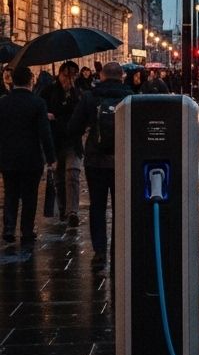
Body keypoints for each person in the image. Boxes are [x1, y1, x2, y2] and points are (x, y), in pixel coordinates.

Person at [68, 60, 132, 265]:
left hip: (95, 161)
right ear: (122, 76)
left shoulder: (90, 97)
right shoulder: (130, 97)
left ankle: (100, 251)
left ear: (101, 76)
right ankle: (118, 250)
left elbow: (73, 128)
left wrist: (81, 149)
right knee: (121, 207)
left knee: (97, 206)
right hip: (122, 161)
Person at [0, 63, 57, 244]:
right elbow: (44, 133)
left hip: (7, 157)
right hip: (31, 158)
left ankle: (8, 228)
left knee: (10, 193)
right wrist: (51, 158)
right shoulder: (38, 103)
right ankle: (26, 230)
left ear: (13, 82)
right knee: (29, 196)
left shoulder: (3, 102)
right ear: (30, 81)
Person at [43, 61, 83, 226]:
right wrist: (47, 115)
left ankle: (72, 211)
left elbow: (81, 111)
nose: (69, 79)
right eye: (67, 75)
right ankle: (62, 208)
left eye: (73, 75)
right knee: (59, 177)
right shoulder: (49, 91)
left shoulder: (77, 92)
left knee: (72, 173)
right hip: (55, 139)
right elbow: (41, 108)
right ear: (60, 74)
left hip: (73, 140)